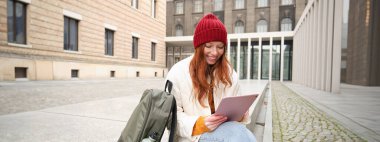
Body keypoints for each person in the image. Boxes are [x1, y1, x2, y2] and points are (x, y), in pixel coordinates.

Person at [165, 14, 257, 142]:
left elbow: (238, 116)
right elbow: (170, 120)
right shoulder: (177, 73)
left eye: (220, 47)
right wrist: (200, 124)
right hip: (192, 137)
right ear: (198, 46)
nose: (214, 52)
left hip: (227, 131)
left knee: (246, 136)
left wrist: (241, 115)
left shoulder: (230, 73)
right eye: (208, 46)